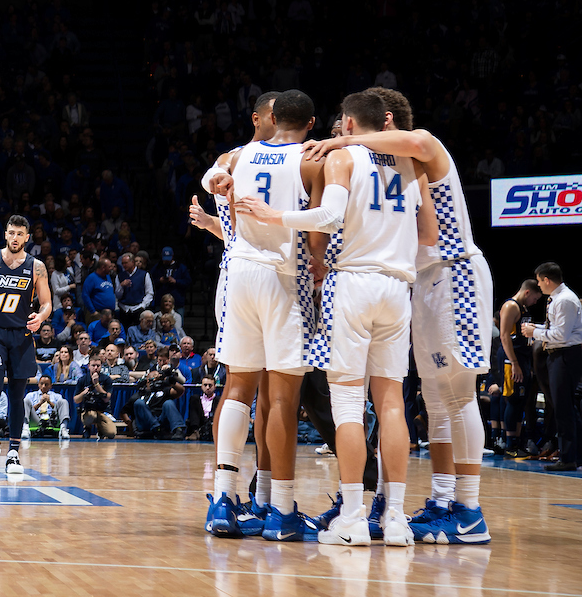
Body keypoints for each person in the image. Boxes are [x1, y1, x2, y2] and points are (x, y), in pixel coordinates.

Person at [240, 90, 436, 546]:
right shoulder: (412, 163)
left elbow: (328, 217)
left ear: (347, 124)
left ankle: (352, 516)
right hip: (398, 286)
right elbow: (428, 233)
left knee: (348, 403)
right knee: (391, 403)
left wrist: (276, 215)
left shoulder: (344, 158)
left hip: (354, 282)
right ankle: (394, 520)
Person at [304, 86, 495, 544]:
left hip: (453, 271)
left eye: (348, 125)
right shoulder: (398, 167)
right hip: (414, 281)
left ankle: (468, 509)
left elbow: (414, 144)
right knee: (433, 398)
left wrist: (344, 143)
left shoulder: (422, 146)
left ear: (380, 121)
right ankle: (442, 500)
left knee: (459, 394)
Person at [202, 89, 321, 541]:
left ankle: (223, 499)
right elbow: (328, 220)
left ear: (271, 117)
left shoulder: (239, 154)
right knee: (283, 401)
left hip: (240, 273)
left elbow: (214, 172)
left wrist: (213, 177)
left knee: (238, 388)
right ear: (310, 123)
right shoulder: (310, 159)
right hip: (282, 276)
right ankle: (281, 511)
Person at [0, 214, 53, 475]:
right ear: (5, 234)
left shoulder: (36, 266)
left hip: (21, 335)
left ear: (27, 237)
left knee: (17, 395)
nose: (15, 237)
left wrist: (41, 316)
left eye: (20, 234)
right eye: (11, 232)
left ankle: (13, 452)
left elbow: (47, 302)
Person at [521, 263, 582, 471]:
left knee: (563, 407)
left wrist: (534, 333)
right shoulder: (557, 298)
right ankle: (574, 455)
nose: (538, 284)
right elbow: (555, 329)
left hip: (565, 355)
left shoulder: (565, 300)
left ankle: (568, 458)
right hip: (559, 355)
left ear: (547, 279)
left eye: (539, 280)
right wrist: (536, 328)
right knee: (566, 407)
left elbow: (562, 336)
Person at [496, 279, 542, 456]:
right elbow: (504, 336)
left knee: (522, 400)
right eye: (535, 299)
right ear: (528, 292)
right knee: (514, 399)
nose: (535, 303)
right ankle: (510, 445)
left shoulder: (523, 308)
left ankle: (516, 442)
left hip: (522, 357)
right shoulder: (510, 306)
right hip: (511, 358)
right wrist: (514, 363)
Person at [74, 358, 115, 439]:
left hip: (103, 411)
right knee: (91, 416)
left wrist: (97, 384)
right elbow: (76, 399)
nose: (95, 368)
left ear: (101, 367)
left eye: (98, 366)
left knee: (111, 433)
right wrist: (84, 393)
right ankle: (87, 427)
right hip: (89, 411)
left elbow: (107, 398)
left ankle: (101, 429)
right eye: (93, 365)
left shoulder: (106, 379)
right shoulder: (83, 380)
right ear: (89, 366)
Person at [22, 374, 72, 439]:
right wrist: (40, 403)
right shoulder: (31, 395)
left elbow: (60, 411)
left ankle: (63, 429)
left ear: (51, 386)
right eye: (41, 384)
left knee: (64, 401)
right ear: (38, 384)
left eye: (46, 384)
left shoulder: (57, 396)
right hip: (37, 419)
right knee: (25, 401)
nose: (43, 386)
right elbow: (29, 411)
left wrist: (50, 402)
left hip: (52, 419)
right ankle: (25, 429)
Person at [188, 376, 220, 440]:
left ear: (215, 386)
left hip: (213, 422)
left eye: (210, 385)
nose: (207, 388)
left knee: (218, 400)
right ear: (201, 387)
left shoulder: (218, 400)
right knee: (194, 398)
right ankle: (195, 431)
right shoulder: (198, 399)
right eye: (205, 385)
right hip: (200, 422)